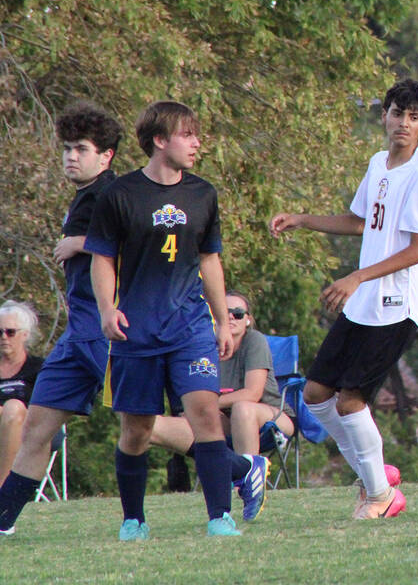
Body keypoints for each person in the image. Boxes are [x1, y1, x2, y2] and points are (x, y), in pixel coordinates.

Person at [86, 100, 263, 539]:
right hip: (137, 332)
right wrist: (108, 310)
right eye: (188, 134)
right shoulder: (119, 195)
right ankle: (133, 521)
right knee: (137, 430)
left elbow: (210, 260)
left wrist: (222, 320)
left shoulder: (203, 193)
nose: (197, 142)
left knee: (203, 413)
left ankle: (219, 517)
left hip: (190, 328)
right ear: (160, 141)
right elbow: (101, 260)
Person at [269, 78, 418, 520]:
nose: (403, 122)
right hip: (365, 301)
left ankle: (380, 495)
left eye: (414, 116)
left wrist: (357, 276)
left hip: (397, 305)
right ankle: (373, 476)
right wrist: (302, 219)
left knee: (350, 401)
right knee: (316, 393)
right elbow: (359, 221)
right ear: (384, 116)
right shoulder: (378, 163)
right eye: (397, 113)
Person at [0, 103, 128, 536]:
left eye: (82, 149)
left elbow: (135, 247)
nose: (71, 156)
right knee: (36, 425)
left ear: (106, 155)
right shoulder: (86, 195)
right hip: (78, 332)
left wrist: (81, 242)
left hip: (103, 326)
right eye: (67, 148)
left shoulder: (113, 195)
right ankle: (2, 521)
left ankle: (237, 466)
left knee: (142, 425)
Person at [150, 290, 294, 456]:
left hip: (272, 419)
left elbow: (252, 394)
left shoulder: (254, 340)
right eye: (225, 312)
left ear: (248, 320)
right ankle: (225, 469)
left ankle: (247, 476)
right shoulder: (203, 346)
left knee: (242, 409)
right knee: (149, 426)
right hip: (222, 420)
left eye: (238, 314)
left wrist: (204, 405)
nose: (231, 317)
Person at [0, 302, 43, 486]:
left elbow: (42, 408)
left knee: (13, 408)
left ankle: (3, 492)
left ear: (25, 334)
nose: (4, 337)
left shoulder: (40, 368)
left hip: (30, 430)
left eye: (10, 332)